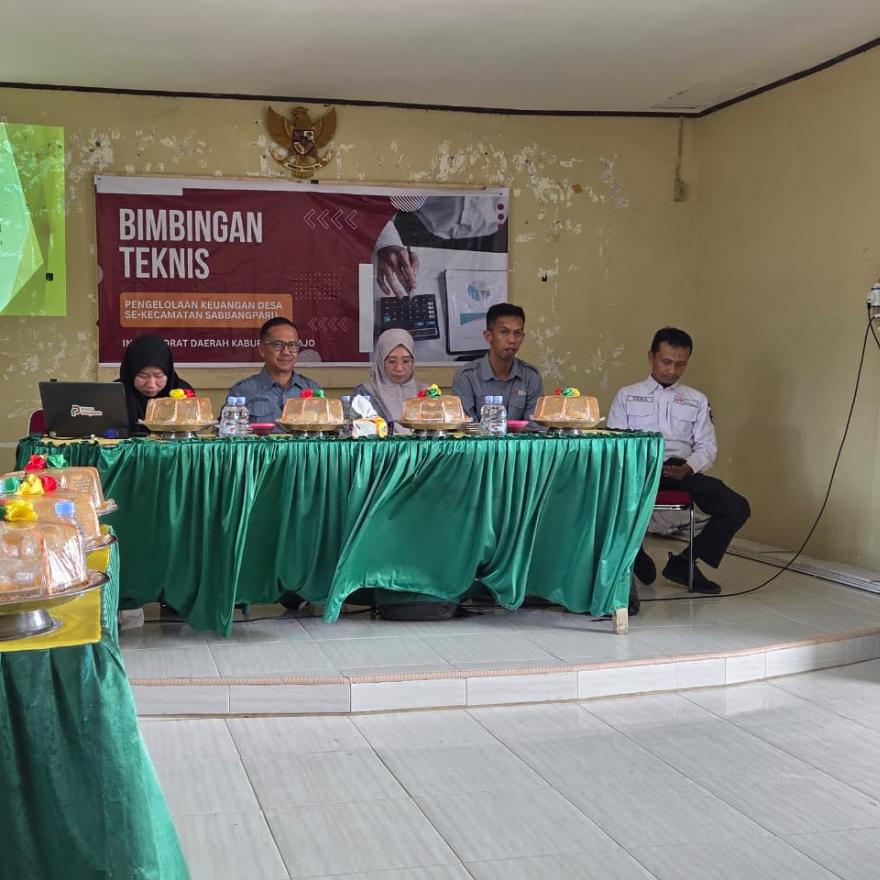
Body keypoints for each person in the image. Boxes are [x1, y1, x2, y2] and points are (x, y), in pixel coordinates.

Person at [608, 327, 750, 595]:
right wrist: (645, 465)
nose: (672, 370)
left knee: (736, 506)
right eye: (666, 361)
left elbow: (707, 445)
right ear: (651, 357)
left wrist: (689, 467)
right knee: (608, 498)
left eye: (680, 364)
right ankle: (633, 555)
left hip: (682, 471)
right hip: (640, 472)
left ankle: (685, 563)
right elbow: (616, 443)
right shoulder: (627, 395)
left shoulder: (697, 400)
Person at [451, 303, 543, 421]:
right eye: (504, 332)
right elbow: (466, 426)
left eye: (518, 333)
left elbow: (534, 425)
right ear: (488, 336)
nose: (512, 340)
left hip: (523, 435)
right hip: (479, 434)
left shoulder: (531, 376)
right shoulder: (467, 377)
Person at [229, 317, 321, 422]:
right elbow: (227, 429)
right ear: (262, 350)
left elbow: (324, 428)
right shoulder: (242, 391)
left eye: (292, 345)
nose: (286, 352)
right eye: (278, 345)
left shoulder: (314, 389)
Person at [352, 329, 427, 433]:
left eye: (406, 361)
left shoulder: (426, 393)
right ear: (381, 362)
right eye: (392, 361)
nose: (399, 368)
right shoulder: (364, 394)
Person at [117, 335, 193, 434]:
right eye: (143, 376)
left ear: (168, 373)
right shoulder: (114, 393)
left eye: (158, 376)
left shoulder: (183, 392)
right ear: (131, 373)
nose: (151, 385)